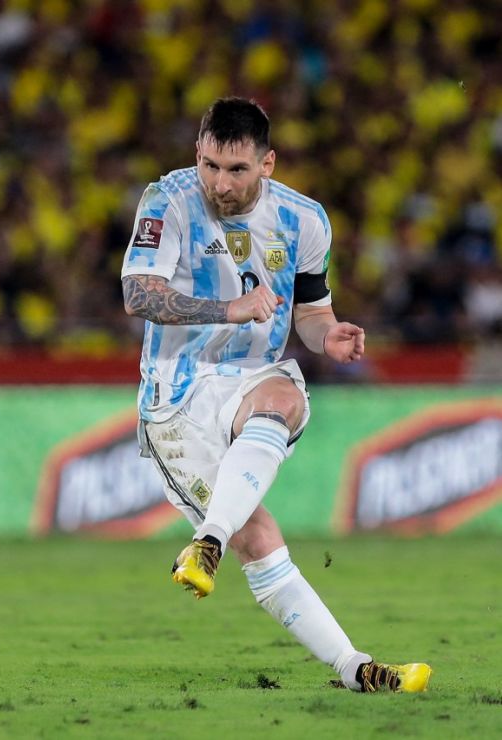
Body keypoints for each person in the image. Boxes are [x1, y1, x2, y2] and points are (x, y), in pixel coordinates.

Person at [120, 97, 431, 693]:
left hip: (253, 377)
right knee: (258, 540)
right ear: (198, 154)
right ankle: (344, 658)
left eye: (236, 170)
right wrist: (226, 309)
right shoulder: (168, 200)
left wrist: (328, 336)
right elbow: (138, 294)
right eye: (210, 165)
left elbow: (312, 313)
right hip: (176, 400)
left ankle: (355, 670)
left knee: (285, 400)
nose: (220, 182)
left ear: (268, 163)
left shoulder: (303, 220)